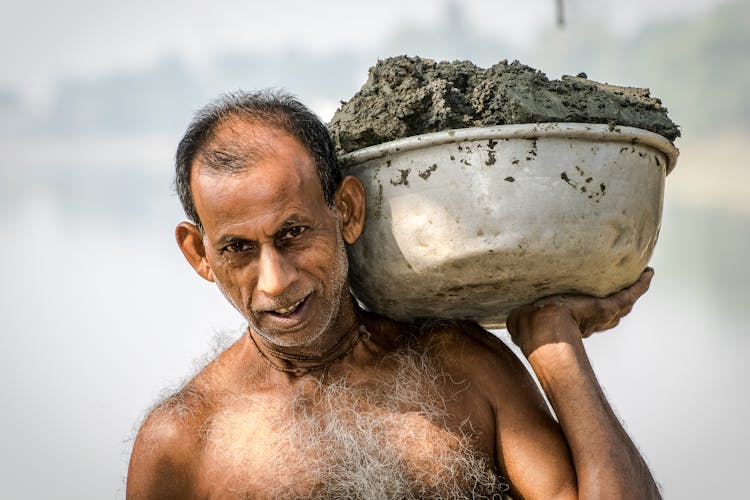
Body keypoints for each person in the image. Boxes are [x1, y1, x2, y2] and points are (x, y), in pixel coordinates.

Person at [127, 90, 661, 499]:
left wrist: (554, 344)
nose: (275, 281)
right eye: (238, 248)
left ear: (347, 212)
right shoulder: (182, 443)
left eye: (293, 233)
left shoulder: (460, 366)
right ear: (199, 254)